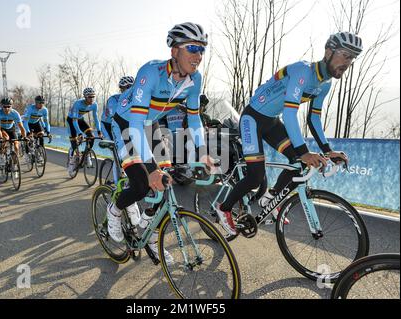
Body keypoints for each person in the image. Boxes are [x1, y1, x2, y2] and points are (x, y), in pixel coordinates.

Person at [214, 31, 361, 236]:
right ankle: (224, 208)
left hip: (272, 122)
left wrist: (327, 151)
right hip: (252, 119)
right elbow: (291, 114)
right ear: (329, 51)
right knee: (256, 176)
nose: (348, 62)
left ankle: (270, 198)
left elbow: (314, 119)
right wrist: (304, 151)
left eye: (352, 58)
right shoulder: (303, 71)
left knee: (300, 163)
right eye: (345, 55)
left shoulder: (325, 85)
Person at [107, 22, 215, 263]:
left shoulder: (195, 80)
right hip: (127, 123)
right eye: (191, 48)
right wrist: (151, 168)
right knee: (142, 183)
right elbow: (135, 125)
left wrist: (203, 152)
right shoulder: (151, 73)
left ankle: (150, 234)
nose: (198, 55)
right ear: (174, 51)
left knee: (165, 182)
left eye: (201, 49)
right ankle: (115, 210)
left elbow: (194, 117)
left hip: (150, 124)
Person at [66, 87, 102, 173]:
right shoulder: (77, 104)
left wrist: (99, 132)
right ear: (85, 97)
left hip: (80, 120)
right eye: (90, 97)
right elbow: (74, 121)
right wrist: (79, 133)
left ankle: (87, 154)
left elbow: (96, 119)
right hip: (71, 121)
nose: (92, 99)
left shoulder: (94, 105)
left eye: (93, 96)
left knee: (91, 137)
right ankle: (71, 163)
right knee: (74, 143)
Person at [0, 97, 27, 168]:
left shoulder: (15, 113)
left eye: (8, 106)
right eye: (4, 107)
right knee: (5, 139)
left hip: (11, 128)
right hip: (1, 128)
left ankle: (15, 165)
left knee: (16, 146)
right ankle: (1, 157)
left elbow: (21, 128)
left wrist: (24, 137)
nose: (6, 109)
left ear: (11, 106)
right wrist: (0, 138)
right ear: (1, 106)